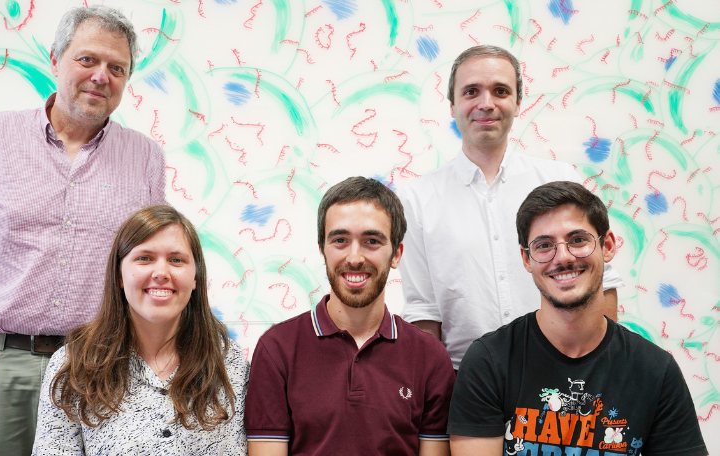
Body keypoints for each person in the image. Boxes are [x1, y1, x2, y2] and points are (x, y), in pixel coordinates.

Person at [0, 6, 166, 455]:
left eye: (117, 68)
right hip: (4, 365)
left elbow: (149, 264)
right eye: (87, 59)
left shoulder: (146, 157)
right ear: (56, 59)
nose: (101, 76)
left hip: (101, 366)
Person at [399, 45, 622, 370]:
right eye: (471, 91)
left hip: (564, 375)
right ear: (453, 105)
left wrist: (602, 371)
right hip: (465, 380)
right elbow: (424, 311)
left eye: (500, 91)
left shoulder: (560, 178)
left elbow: (603, 279)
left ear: (517, 103)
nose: (486, 103)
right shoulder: (417, 199)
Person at [447, 181, 707, 456]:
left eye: (578, 240)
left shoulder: (656, 370)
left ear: (607, 245)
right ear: (526, 258)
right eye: (544, 245)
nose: (563, 257)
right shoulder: (488, 361)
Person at [245, 177, 455, 456]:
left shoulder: (430, 357)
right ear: (322, 249)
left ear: (396, 254)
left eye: (372, 241)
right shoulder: (277, 349)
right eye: (340, 240)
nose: (354, 258)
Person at [32, 205, 248, 455]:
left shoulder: (230, 363)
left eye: (176, 260)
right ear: (119, 275)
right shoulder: (73, 365)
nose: (161, 273)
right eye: (144, 258)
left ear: (195, 277)